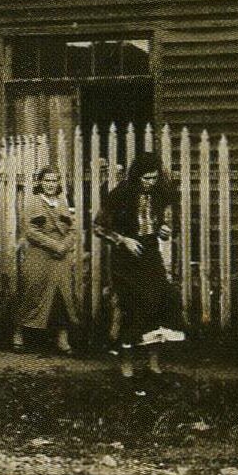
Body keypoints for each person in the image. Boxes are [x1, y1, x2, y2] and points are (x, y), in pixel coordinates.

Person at [94, 152, 182, 378]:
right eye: (146, 178)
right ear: (136, 176)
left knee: (158, 303)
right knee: (131, 308)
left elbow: (169, 225)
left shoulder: (162, 195)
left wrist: (165, 230)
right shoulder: (120, 194)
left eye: (154, 178)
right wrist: (123, 239)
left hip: (150, 253)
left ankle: (153, 364)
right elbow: (98, 227)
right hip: (125, 259)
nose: (150, 183)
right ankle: (127, 364)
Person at [13, 167, 79, 355]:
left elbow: (73, 228)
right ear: (40, 182)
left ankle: (62, 338)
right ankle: (18, 333)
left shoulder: (63, 202)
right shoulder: (33, 203)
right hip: (40, 256)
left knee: (63, 298)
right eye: (47, 181)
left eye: (54, 181)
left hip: (61, 259)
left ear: (59, 183)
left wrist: (64, 245)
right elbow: (30, 231)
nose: (51, 185)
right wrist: (53, 245)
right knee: (31, 293)